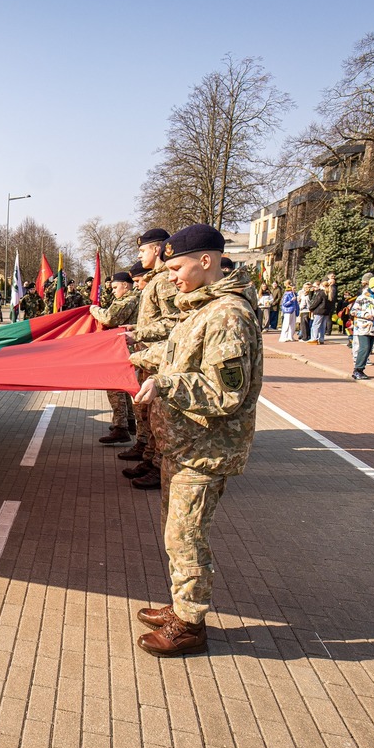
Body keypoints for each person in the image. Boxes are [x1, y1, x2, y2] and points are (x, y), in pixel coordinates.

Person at [129, 224, 262, 657]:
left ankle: (190, 625)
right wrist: (123, 354)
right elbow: (175, 353)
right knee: (175, 533)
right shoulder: (202, 308)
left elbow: (225, 393)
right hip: (184, 446)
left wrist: (166, 386)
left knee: (187, 537)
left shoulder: (228, 315)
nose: (171, 276)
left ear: (206, 261)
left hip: (206, 451)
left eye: (177, 267)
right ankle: (181, 607)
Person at [120, 229, 177, 492]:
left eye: (142, 250)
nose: (140, 255)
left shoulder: (165, 280)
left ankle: (158, 466)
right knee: (148, 415)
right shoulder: (156, 280)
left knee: (158, 418)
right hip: (148, 356)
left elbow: (173, 323)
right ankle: (150, 458)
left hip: (159, 360)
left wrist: (138, 334)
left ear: (156, 249)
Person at [89, 271, 140, 445]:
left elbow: (110, 318)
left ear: (126, 286)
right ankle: (130, 422)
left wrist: (93, 309)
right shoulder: (133, 298)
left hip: (125, 350)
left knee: (114, 386)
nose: (113, 292)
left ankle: (121, 427)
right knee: (124, 387)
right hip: (127, 349)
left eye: (115, 287)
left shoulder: (129, 299)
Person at [349, 277, 374, 380]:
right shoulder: (363, 297)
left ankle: (361, 369)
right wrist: (365, 314)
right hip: (363, 326)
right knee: (364, 347)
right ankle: (357, 370)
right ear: (373, 285)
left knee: (369, 349)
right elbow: (354, 311)